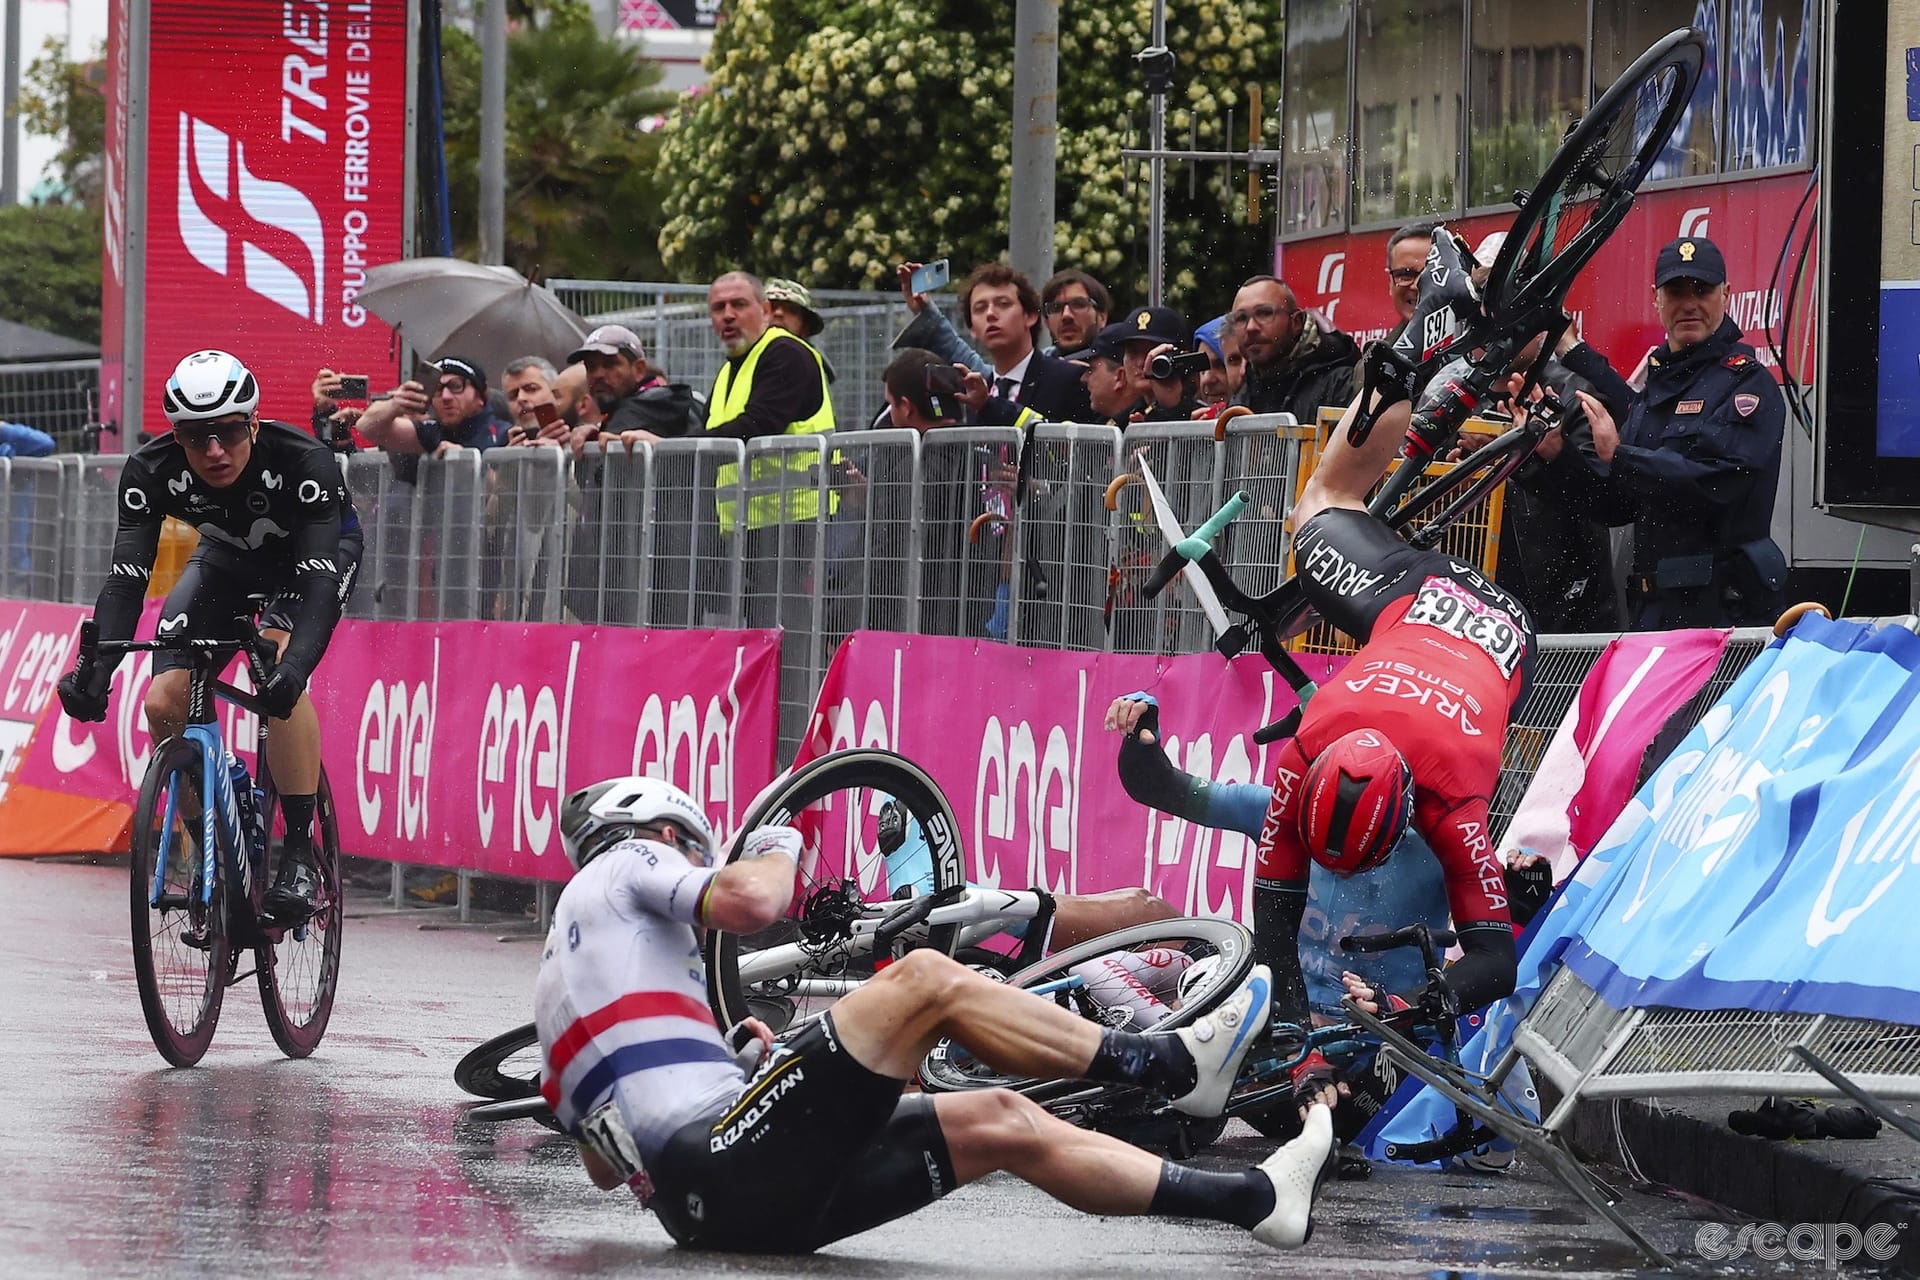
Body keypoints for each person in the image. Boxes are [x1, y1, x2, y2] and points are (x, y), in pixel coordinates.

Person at [536, 776, 1339, 1254]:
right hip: (724, 1154)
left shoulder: (559, 995)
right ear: (667, 833)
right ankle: (1171, 1066)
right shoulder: (628, 856)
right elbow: (752, 898)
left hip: (711, 1212)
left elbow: (607, 1169)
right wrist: (778, 842)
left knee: (998, 1121)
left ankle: (1254, 1202)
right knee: (925, 979)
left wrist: (740, 1071)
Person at [1249, 369, 1540, 1101]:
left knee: (1321, 503)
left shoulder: (1455, 800)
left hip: (1496, 629)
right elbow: (1272, 915)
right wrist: (1290, 1026)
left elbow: (1495, 961)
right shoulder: (1305, 746)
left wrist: (1408, 1009)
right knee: (1319, 508)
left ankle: (1408, 367)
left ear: (1412, 814)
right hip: (1409, 604)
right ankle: (1412, 355)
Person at [55, 351, 361, 920]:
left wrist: (293, 669)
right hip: (228, 558)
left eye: (226, 432)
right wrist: (97, 671)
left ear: (252, 422)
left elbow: (319, 582)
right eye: (197, 438)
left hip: (311, 561)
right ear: (177, 436)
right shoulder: (150, 470)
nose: (214, 451)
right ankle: (208, 847)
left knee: (276, 674)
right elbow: (126, 580)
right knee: (163, 700)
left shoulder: (304, 461)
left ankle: (297, 848)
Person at [1534, 236, 1787, 628]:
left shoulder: (1747, 384)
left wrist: (1622, 457)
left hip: (1723, 613)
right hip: (1653, 611)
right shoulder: (1655, 390)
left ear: (1726, 294)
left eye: (1702, 290)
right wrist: (1554, 456)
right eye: (1676, 291)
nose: (1689, 304)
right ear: (1656, 298)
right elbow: (1617, 506)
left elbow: (1720, 482)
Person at [896, 262, 1093, 423]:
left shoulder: (1068, 379)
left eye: (1003, 304)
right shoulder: (976, 391)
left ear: (1031, 316)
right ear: (972, 329)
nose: (990, 314)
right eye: (980, 308)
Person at [1231, 277, 1359, 424]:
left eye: (1264, 313)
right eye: (1241, 318)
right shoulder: (1241, 398)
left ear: (1296, 322)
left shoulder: (1338, 386)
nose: (1251, 327)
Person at [567, 325, 702, 445]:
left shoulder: (636, 412)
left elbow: (601, 471)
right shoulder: (667, 401)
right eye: (590, 367)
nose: (598, 374)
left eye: (610, 364)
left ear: (639, 369)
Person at [354, 356, 510, 456]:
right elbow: (367, 427)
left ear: (481, 395)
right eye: (437, 389)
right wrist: (396, 405)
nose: (446, 397)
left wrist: (466, 462)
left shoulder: (505, 434)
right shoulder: (433, 431)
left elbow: (508, 491)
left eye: (456, 386)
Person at [764, 277, 838, 385]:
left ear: (805, 327)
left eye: (790, 310)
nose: (778, 313)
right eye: (771, 307)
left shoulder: (804, 367)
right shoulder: (740, 360)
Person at [1039, 269, 1112, 355]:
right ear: (1047, 323)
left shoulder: (1125, 364)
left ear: (1102, 318)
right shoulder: (1032, 367)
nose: (1066, 315)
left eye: (1078, 304)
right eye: (1056, 308)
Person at [502, 356, 569, 447]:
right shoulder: (505, 452)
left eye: (531, 389)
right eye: (513, 396)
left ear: (555, 393)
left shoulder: (584, 436)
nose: (520, 398)